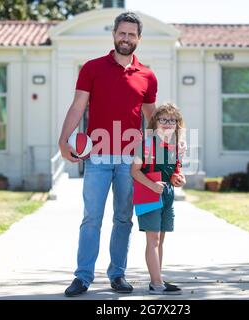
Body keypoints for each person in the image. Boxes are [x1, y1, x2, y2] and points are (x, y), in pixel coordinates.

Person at [58, 12, 157, 297]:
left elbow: (152, 119)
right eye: (122, 33)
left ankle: (118, 274)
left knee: (124, 219)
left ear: (139, 38)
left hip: (131, 160)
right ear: (114, 34)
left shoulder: (147, 76)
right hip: (98, 158)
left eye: (132, 34)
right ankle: (83, 277)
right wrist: (63, 139)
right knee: (92, 218)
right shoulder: (91, 68)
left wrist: (164, 152)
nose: (126, 39)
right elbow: (78, 106)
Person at [131, 103, 186, 295]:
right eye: (164, 119)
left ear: (178, 124)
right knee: (152, 240)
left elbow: (172, 172)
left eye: (172, 120)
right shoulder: (146, 144)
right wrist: (152, 186)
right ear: (155, 122)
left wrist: (178, 178)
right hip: (148, 194)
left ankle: (158, 279)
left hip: (166, 195)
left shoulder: (174, 147)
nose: (168, 123)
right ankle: (156, 283)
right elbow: (135, 171)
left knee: (160, 241)